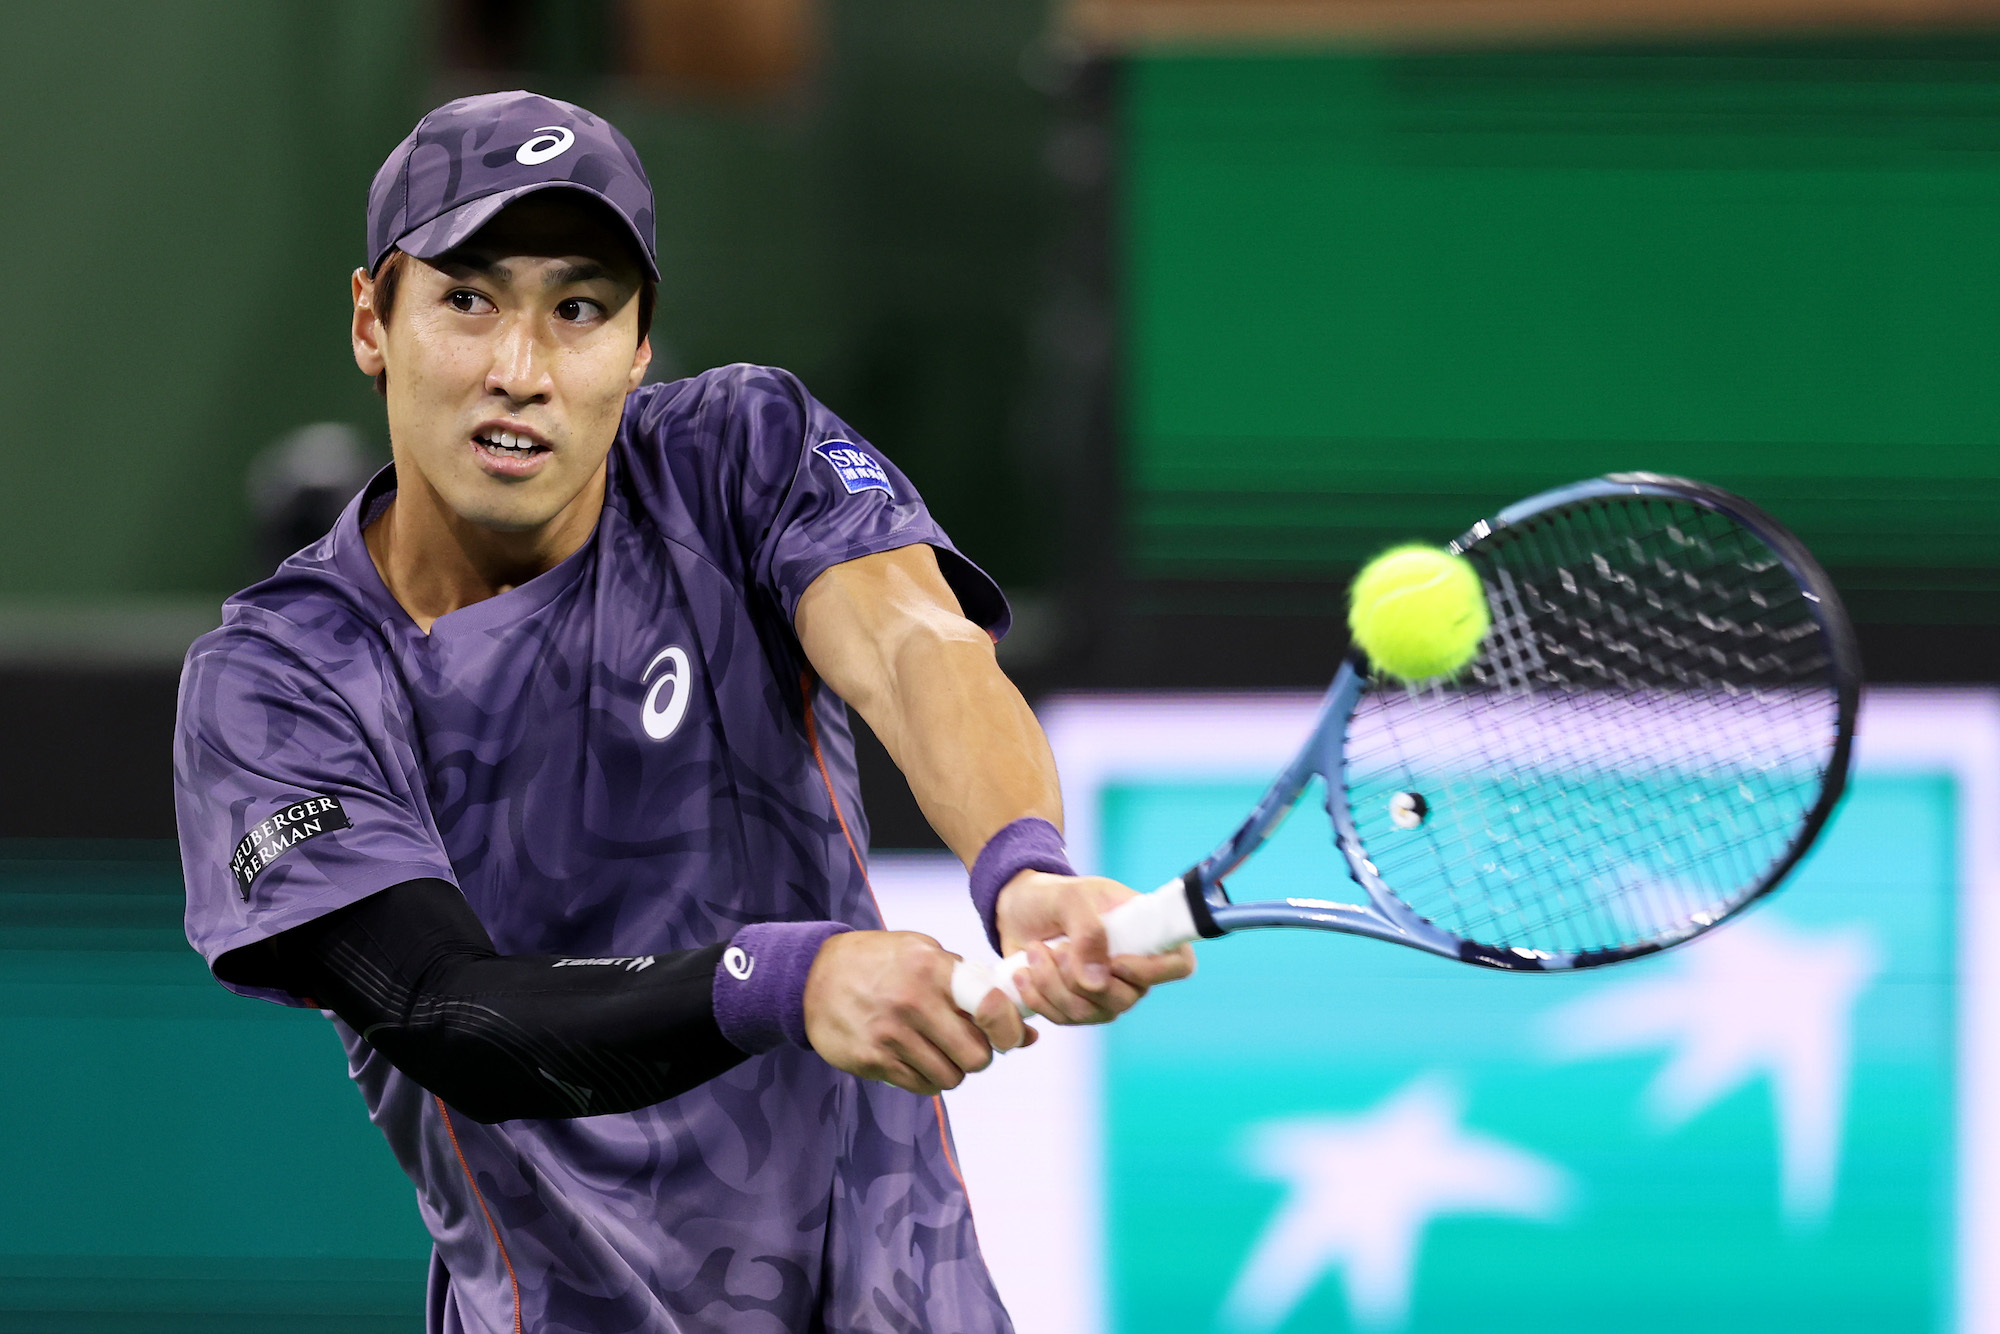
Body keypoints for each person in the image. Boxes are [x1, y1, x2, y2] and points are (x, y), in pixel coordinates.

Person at [172, 90, 1192, 1334]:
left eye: (580, 309)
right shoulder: (280, 681)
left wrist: (1020, 863)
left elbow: (917, 643)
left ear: (642, 344)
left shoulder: (740, 455)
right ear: (372, 319)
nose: (520, 369)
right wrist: (782, 978)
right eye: (468, 297)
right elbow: (446, 1012)